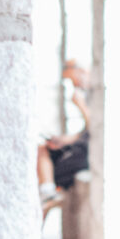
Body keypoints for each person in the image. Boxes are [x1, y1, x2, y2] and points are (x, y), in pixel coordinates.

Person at [38, 59, 92, 201]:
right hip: (80, 144)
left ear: (81, 72)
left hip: (88, 153)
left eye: (72, 79)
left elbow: (96, 129)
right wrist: (64, 140)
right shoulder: (85, 93)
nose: (74, 85)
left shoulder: (98, 93)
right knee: (42, 149)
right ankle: (47, 191)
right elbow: (85, 131)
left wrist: (81, 106)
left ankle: (50, 195)